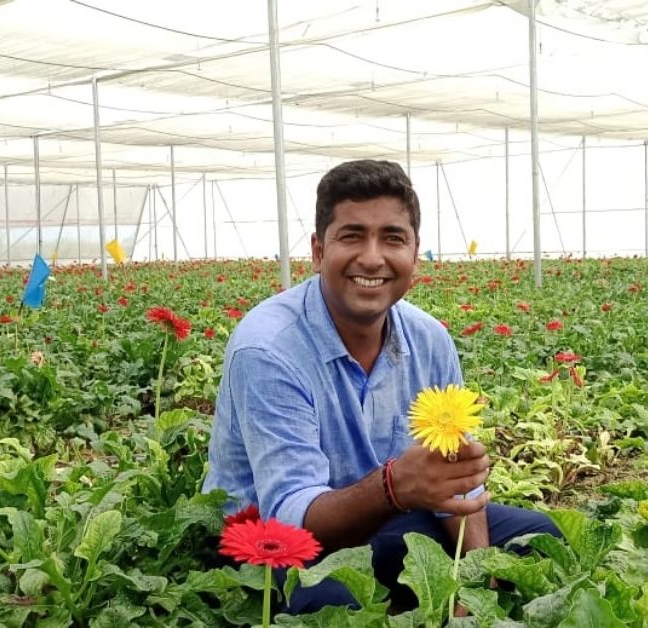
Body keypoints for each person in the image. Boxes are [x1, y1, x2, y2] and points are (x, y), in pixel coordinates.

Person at [202, 159, 559, 613]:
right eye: (352, 235)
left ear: (414, 253)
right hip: (274, 545)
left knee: (539, 537)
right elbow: (289, 516)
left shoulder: (429, 339)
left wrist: (473, 582)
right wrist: (395, 486)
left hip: (389, 518)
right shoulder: (269, 349)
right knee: (329, 602)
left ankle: (419, 599)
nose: (372, 257)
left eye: (393, 238)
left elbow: (455, 484)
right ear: (317, 251)